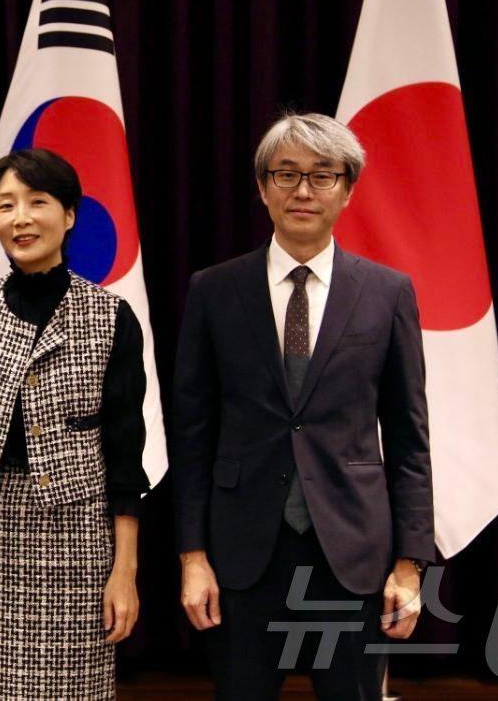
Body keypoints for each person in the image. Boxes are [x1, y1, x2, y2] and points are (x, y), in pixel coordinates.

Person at [170, 112, 434, 700]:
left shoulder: (388, 292)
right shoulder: (214, 291)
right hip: (242, 554)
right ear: (261, 187)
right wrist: (193, 555)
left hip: (354, 552)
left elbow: (410, 438)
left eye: (322, 176)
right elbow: (191, 434)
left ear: (348, 189)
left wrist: (410, 564)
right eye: (286, 174)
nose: (303, 191)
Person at [0, 148, 149, 700]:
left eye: (37, 202)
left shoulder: (109, 316)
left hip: (78, 542)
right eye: (6, 206)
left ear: (69, 215)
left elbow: (125, 455)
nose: (21, 218)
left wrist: (124, 571)